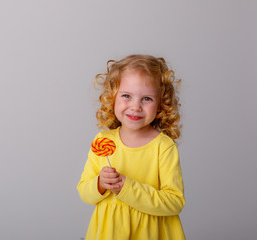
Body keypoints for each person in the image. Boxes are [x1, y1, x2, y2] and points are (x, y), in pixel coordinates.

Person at [77, 54, 185, 240]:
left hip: (151, 234)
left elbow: (175, 202)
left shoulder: (163, 147)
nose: (135, 106)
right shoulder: (103, 141)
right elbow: (85, 193)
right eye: (126, 95)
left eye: (147, 99)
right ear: (112, 97)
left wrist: (128, 188)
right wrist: (100, 184)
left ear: (161, 103)